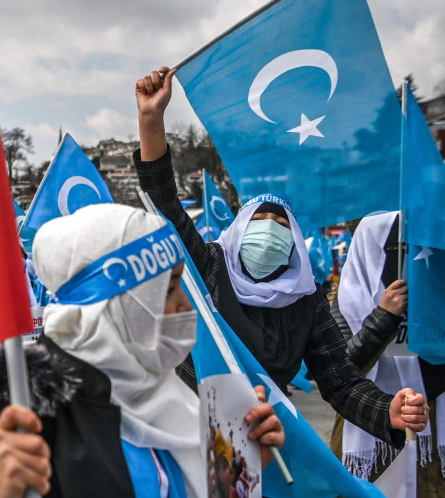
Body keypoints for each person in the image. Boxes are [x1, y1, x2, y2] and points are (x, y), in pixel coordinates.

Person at [132, 67, 429, 451]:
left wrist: (387, 408)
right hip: (186, 428)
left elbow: (340, 380)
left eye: (280, 224)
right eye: (260, 220)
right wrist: (150, 118)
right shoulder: (209, 266)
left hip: (263, 440)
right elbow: (164, 203)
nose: (269, 229)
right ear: (238, 232)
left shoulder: (308, 299)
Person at [0, 204, 284, 497]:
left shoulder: (169, 391)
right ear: (121, 299)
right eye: (169, 287)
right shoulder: (22, 403)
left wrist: (241, 468)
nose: (184, 307)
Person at [327, 212, 445, 497]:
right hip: (369, 436)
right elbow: (339, 373)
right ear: (372, 250)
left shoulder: (432, 300)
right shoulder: (342, 305)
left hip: (425, 435)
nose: (408, 262)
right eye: (399, 252)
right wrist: (384, 317)